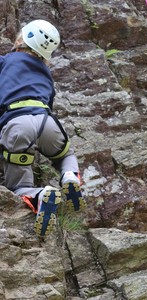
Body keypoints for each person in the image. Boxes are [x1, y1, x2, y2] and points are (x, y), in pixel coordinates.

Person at [0, 20, 86, 237]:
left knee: (19, 186)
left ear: (21, 40)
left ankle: (39, 195)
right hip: (47, 122)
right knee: (66, 154)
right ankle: (69, 177)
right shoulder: (45, 74)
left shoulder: (4, 62)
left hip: (17, 123)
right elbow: (49, 102)